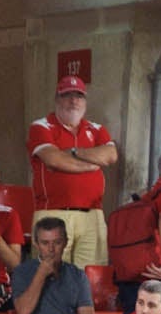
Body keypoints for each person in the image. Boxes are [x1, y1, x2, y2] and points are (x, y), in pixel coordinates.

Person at [26, 76, 117, 268]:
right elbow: (54, 160)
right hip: (53, 213)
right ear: (57, 99)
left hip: (92, 214)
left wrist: (74, 152)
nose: (74, 101)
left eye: (79, 96)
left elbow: (111, 155)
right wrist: (92, 163)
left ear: (85, 101)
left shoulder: (96, 129)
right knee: (51, 275)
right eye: (67, 95)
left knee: (90, 277)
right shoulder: (41, 126)